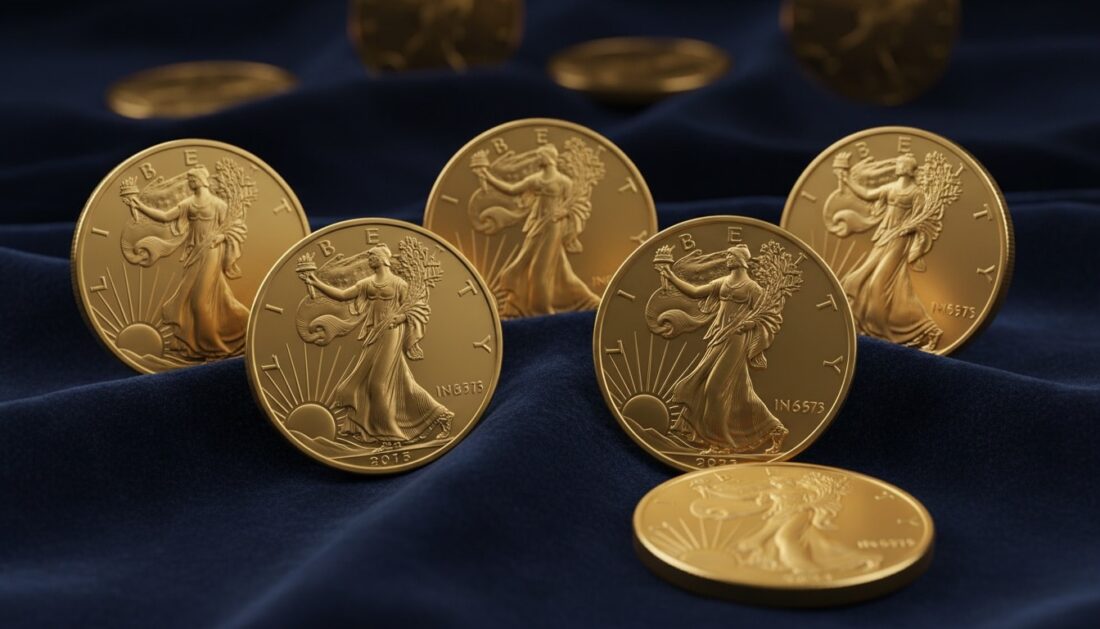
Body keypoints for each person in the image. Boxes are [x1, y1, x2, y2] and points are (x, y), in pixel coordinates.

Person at [303, 244, 453, 446]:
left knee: (377, 384)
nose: (369, 259)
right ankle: (442, 416)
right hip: (373, 334)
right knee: (399, 383)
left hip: (391, 332)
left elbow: (417, 307)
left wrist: (401, 317)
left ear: (383, 259)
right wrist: (316, 282)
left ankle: (391, 436)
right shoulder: (367, 283)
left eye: (372, 256)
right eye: (369, 257)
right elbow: (342, 295)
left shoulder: (399, 284)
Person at [657, 245, 788, 455]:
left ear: (740, 259)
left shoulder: (753, 288)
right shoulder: (723, 282)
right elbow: (695, 292)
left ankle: (719, 444)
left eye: (730, 255)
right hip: (718, 337)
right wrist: (670, 275)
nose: (727, 257)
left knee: (714, 388)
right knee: (739, 392)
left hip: (736, 340)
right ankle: (775, 430)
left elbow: (771, 315)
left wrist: (752, 322)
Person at [124, 166, 248, 358]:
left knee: (200, 302)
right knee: (188, 300)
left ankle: (215, 346)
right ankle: (200, 344)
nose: (190, 182)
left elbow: (233, 228)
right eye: (189, 179)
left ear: (201, 180)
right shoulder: (188, 203)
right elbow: (165, 217)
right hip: (193, 254)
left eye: (192, 179)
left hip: (211, 252)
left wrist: (221, 237)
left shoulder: (218, 205)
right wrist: (139, 206)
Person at [474, 144, 600, 316]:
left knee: (539, 268)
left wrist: (564, 212)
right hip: (537, 224)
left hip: (553, 226)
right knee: (537, 264)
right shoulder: (535, 179)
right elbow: (511, 189)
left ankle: (540, 308)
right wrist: (487, 176)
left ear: (548, 158)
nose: (537, 159)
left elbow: (575, 204)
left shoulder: (564, 182)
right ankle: (524, 305)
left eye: (540, 156)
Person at [837, 154, 942, 350]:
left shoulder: (917, 193)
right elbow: (867, 193)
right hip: (883, 237)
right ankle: (869, 327)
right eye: (899, 163)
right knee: (862, 279)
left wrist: (908, 228)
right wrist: (847, 179)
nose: (899, 165)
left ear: (910, 170)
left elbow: (922, 220)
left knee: (877, 283)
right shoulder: (891, 188)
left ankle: (926, 331)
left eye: (903, 164)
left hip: (899, 241)